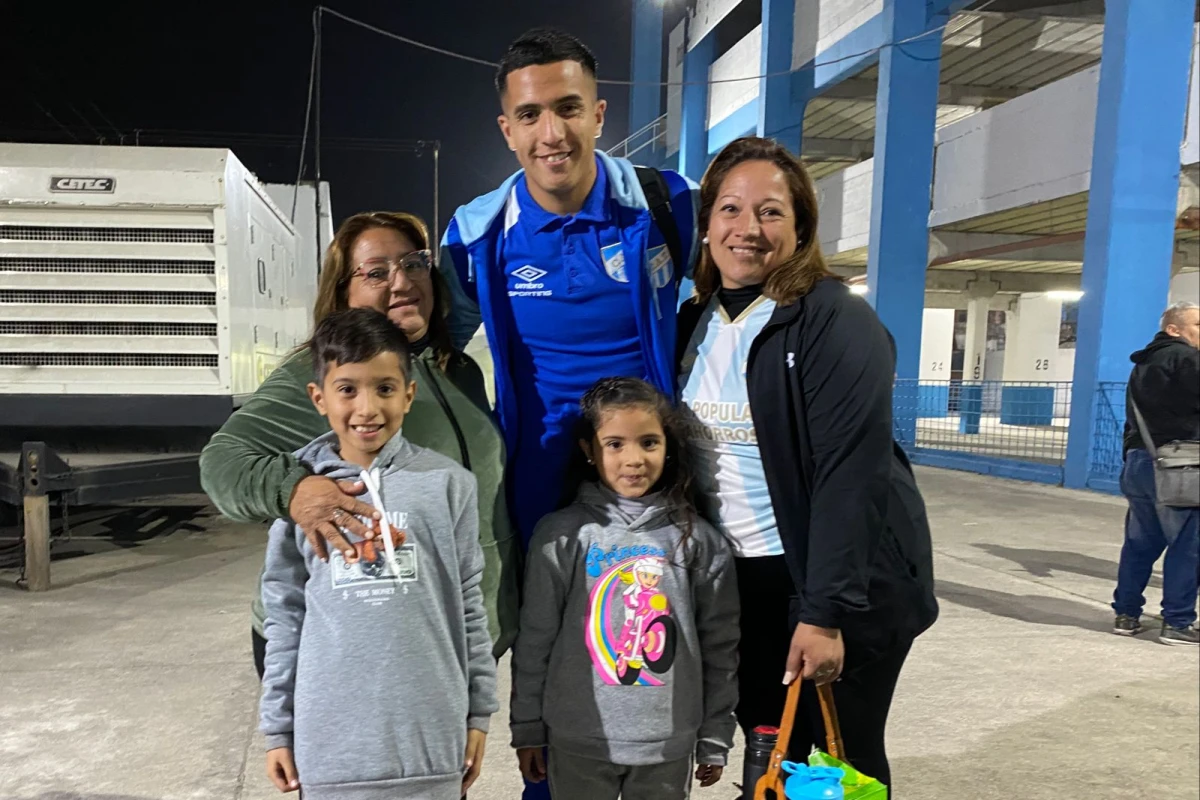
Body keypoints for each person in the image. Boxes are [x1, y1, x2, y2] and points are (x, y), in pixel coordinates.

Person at [676, 136, 938, 791]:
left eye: (771, 212)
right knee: (769, 741)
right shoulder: (692, 323)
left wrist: (823, 615)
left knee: (831, 760)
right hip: (740, 582)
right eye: (731, 210)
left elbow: (851, 476)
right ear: (707, 224)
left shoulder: (833, 321)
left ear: (800, 230)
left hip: (828, 584)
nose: (748, 229)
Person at [198, 211, 520, 678]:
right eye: (376, 272)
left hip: (452, 635)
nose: (402, 280)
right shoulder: (323, 377)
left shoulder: (457, 370)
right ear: (344, 293)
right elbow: (222, 463)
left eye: (414, 264)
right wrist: (295, 491)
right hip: (352, 650)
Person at [438, 27, 700, 551]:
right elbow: (433, 351)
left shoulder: (670, 204)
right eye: (530, 114)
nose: (552, 133)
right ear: (507, 130)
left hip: (645, 463)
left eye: (569, 108)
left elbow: (741, 301)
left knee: (647, 615)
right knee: (545, 622)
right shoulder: (476, 234)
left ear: (598, 115)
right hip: (536, 473)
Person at [259, 308, 497, 798]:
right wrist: (278, 729)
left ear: (408, 395)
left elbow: (469, 606)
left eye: (384, 388)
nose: (367, 408)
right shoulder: (301, 492)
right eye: (348, 389)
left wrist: (478, 712)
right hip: (330, 753)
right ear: (319, 398)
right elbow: (284, 615)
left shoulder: (449, 485)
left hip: (430, 743)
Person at [509, 377, 738, 800]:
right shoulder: (562, 534)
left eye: (648, 442)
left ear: (668, 447)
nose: (634, 459)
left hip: (667, 746)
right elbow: (536, 636)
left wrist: (715, 734)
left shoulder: (699, 540)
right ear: (589, 451)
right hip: (577, 740)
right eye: (615, 444)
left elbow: (719, 645)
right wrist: (526, 727)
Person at [1112, 300, 1200, 646]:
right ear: (1173, 329)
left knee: (1139, 544)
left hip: (1139, 462)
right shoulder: (1186, 359)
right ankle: (1177, 622)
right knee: (1187, 545)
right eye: (1198, 325)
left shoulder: (1142, 365)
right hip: (1180, 465)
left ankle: (1126, 614)